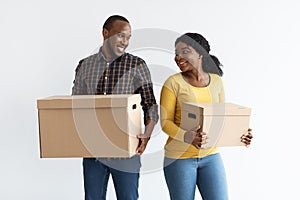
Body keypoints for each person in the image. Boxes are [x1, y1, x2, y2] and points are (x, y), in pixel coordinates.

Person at [72, 15, 158, 200]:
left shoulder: (137, 65)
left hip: (126, 151)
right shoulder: (85, 65)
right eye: (120, 36)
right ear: (105, 33)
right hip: (93, 150)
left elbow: (150, 104)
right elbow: (76, 105)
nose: (125, 42)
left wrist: (147, 133)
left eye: (128, 38)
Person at [160, 32, 253, 200]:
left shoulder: (216, 82)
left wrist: (241, 135)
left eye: (185, 51)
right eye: (176, 53)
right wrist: (187, 136)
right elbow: (165, 122)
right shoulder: (173, 83)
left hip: (211, 156)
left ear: (200, 53)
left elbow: (221, 118)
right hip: (179, 159)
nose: (178, 57)